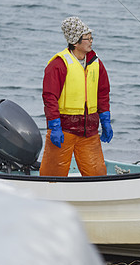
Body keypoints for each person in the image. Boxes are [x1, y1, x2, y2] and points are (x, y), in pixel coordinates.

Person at [39, 16, 113, 177]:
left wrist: (105, 121)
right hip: (63, 130)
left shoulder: (96, 64)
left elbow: (103, 93)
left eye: (91, 37)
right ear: (75, 42)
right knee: (52, 176)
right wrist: (55, 126)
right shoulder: (58, 65)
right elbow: (49, 97)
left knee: (98, 176)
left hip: (89, 132)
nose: (91, 41)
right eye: (87, 38)